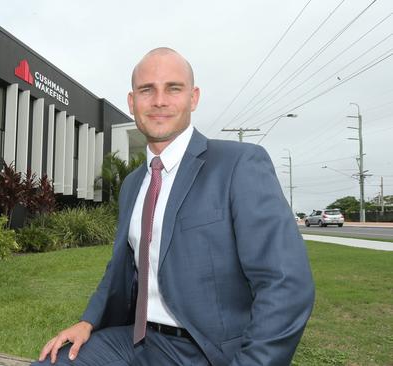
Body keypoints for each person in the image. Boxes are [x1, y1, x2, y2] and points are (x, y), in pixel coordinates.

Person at [32, 47, 315, 366]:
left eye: (173, 88)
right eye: (147, 90)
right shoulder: (132, 184)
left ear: (193, 98)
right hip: (135, 342)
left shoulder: (239, 165)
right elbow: (120, 268)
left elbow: (286, 284)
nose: (159, 101)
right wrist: (88, 321)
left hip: (208, 353)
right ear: (132, 101)